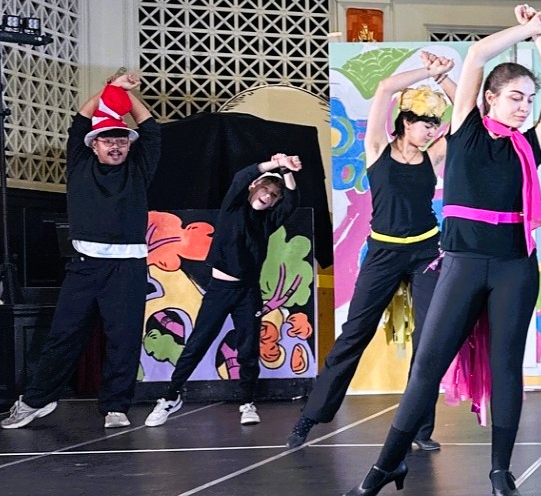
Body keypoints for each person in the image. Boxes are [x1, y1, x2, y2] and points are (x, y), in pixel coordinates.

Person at [342, 6, 541, 496]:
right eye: (514, 97)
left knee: (508, 366)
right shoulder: (463, 127)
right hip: (462, 262)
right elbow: (480, 54)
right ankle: (387, 462)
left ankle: (501, 472)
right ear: (489, 98)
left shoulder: (530, 145)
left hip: (514, 266)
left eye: (529, 99)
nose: (524, 107)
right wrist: (525, 30)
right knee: (428, 363)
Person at [288, 53, 457, 451]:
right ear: (404, 123)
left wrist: (447, 79)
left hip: (426, 253)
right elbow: (385, 89)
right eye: (424, 123)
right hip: (383, 252)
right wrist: (428, 73)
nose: (430, 130)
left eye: (435, 124)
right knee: (353, 335)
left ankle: (419, 427)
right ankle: (309, 417)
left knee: (429, 340)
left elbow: (469, 119)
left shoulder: (433, 156)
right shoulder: (378, 148)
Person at [3, 74, 161, 432]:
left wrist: (125, 93)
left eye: (121, 138)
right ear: (94, 145)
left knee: (123, 339)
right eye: (107, 139)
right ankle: (35, 401)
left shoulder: (138, 169)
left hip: (128, 268)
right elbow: (79, 120)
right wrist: (110, 90)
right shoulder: (79, 164)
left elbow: (151, 128)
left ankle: (116, 406)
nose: (115, 145)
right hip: (86, 268)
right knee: (64, 335)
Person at [145, 154, 300, 425]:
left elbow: (292, 201)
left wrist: (288, 171)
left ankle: (248, 402)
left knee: (248, 349)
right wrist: (274, 164)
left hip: (247, 293)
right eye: (265, 189)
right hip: (219, 291)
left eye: (274, 195)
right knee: (197, 343)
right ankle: (170, 397)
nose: (269, 196)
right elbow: (242, 176)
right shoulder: (233, 207)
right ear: (254, 187)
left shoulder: (267, 222)